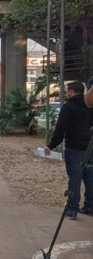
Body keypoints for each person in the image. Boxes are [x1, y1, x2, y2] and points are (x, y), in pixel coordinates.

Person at [44, 82, 93, 220]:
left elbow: (61, 129)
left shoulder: (68, 106)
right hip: (90, 148)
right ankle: (90, 206)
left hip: (74, 148)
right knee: (90, 178)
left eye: (66, 91)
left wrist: (51, 145)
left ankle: (72, 209)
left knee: (75, 179)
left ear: (71, 92)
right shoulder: (90, 105)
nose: (66, 94)